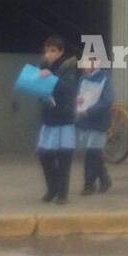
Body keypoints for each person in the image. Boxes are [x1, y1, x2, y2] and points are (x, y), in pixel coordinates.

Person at [37, 35, 79, 205]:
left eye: (53, 50)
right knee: (44, 153)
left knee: (64, 156)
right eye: (47, 50)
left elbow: (70, 89)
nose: (49, 53)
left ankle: (62, 192)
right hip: (49, 116)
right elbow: (40, 91)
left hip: (64, 117)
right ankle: (52, 187)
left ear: (61, 51)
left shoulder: (68, 67)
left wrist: (51, 78)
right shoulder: (43, 67)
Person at [76, 61, 114, 196]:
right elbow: (78, 95)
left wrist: (90, 111)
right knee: (93, 152)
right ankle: (104, 179)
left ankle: (89, 184)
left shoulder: (104, 78)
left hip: (98, 121)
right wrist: (77, 101)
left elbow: (107, 100)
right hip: (85, 120)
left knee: (92, 153)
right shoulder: (83, 78)